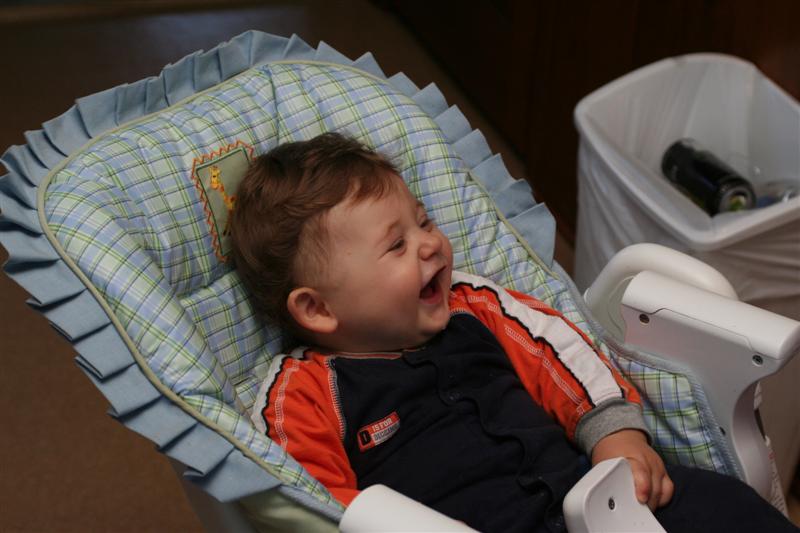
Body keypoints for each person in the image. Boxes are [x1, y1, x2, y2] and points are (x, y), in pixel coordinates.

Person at [230, 132, 797, 532]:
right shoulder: (302, 394)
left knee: (721, 506)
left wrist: (616, 437)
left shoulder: (474, 306)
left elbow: (564, 358)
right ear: (318, 309)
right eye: (396, 245)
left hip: (598, 501)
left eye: (424, 221)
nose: (429, 244)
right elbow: (316, 505)